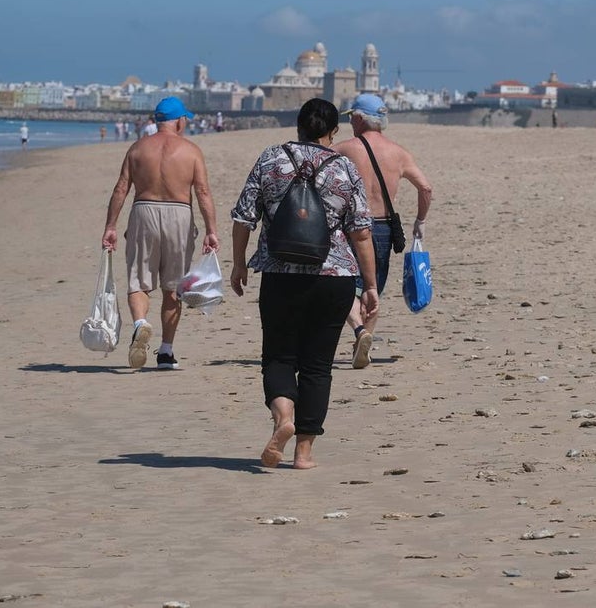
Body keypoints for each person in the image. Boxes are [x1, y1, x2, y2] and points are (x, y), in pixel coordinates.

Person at [231, 98, 378, 470]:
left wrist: (238, 265)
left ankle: (283, 418)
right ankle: (304, 454)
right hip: (335, 279)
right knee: (317, 366)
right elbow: (361, 233)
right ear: (334, 132)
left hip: (280, 274)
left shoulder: (270, 159)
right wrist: (371, 284)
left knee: (279, 355)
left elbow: (244, 218)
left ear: (298, 126)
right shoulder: (345, 167)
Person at [102, 96, 219, 371]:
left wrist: (111, 226)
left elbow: (121, 188)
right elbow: (202, 192)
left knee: (138, 281)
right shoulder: (191, 151)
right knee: (173, 287)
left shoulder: (138, 148)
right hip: (180, 213)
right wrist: (211, 230)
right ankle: (166, 352)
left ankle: (141, 323)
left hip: (144, 210)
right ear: (179, 120)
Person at [333, 93, 433, 369]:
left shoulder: (343, 149)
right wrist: (420, 221)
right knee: (373, 287)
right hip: (383, 228)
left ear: (359, 118)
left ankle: (359, 332)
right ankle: (363, 340)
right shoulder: (398, 152)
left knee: (343, 286)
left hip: (350, 225)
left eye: (352, 117)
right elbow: (425, 188)